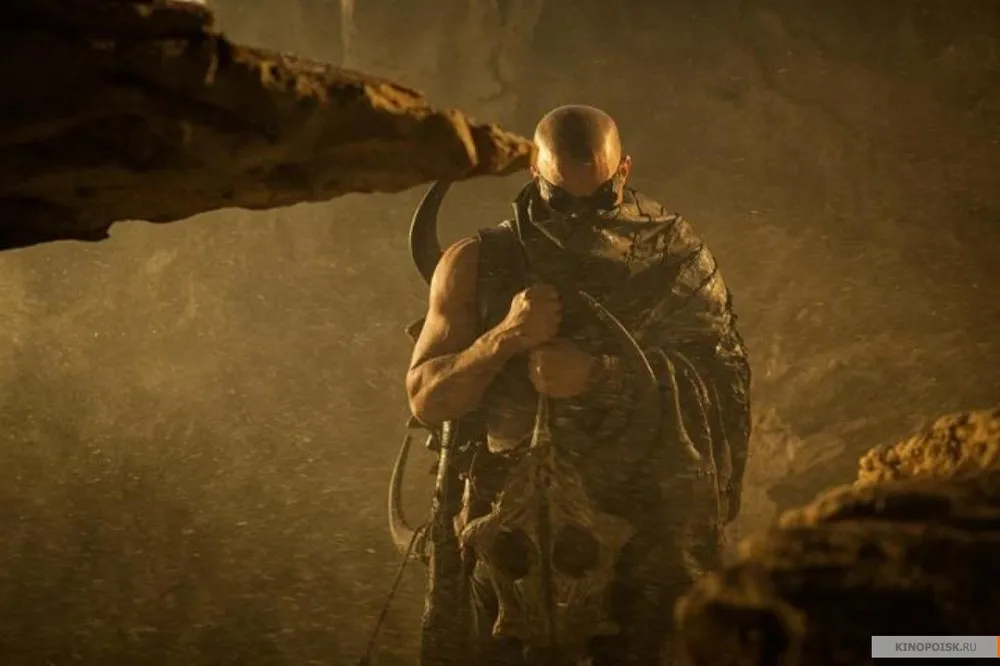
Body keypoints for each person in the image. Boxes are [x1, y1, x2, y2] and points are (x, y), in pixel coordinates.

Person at [404, 104, 752, 665]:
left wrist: (602, 377)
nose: (580, 219)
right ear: (534, 175)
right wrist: (504, 338)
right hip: (503, 544)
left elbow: (722, 382)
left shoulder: (675, 255)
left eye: (600, 199)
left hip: (643, 538)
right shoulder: (476, 262)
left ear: (624, 171)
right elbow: (426, 399)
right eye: (562, 201)